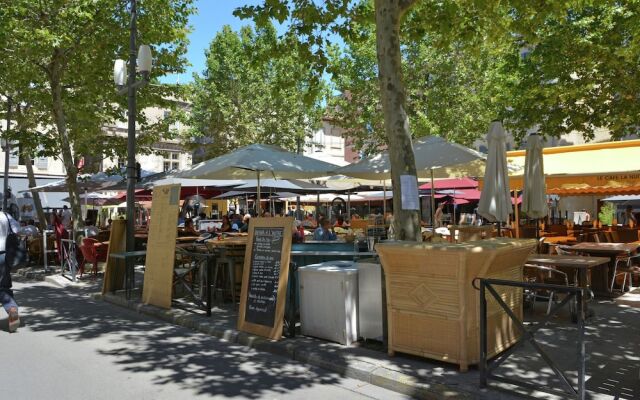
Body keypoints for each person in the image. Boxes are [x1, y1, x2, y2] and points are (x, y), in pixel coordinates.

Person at [1, 211, 21, 332]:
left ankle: (11, 308)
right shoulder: (5, 215)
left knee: (2, 287)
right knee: (4, 284)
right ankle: (12, 309)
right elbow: (17, 230)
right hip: (5, 254)